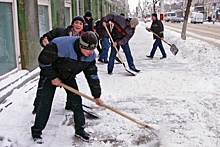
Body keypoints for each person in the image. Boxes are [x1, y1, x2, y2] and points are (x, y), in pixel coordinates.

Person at [31, 32, 103, 143]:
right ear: (81, 46)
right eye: (88, 50)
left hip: (68, 76)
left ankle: (80, 130)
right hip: (50, 74)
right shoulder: (60, 45)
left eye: (93, 49)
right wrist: (53, 77)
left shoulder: (90, 55)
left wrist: (97, 95)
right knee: (45, 102)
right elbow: (43, 61)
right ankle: (36, 131)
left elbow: (92, 75)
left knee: (76, 101)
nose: (91, 53)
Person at [32, 16, 85, 114]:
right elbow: (44, 38)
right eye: (76, 22)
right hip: (51, 65)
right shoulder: (60, 32)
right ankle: (37, 106)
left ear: (82, 27)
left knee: (71, 88)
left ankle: (70, 104)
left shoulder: (80, 40)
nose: (78, 25)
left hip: (66, 68)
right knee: (43, 86)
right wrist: (45, 42)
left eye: (80, 24)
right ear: (72, 24)